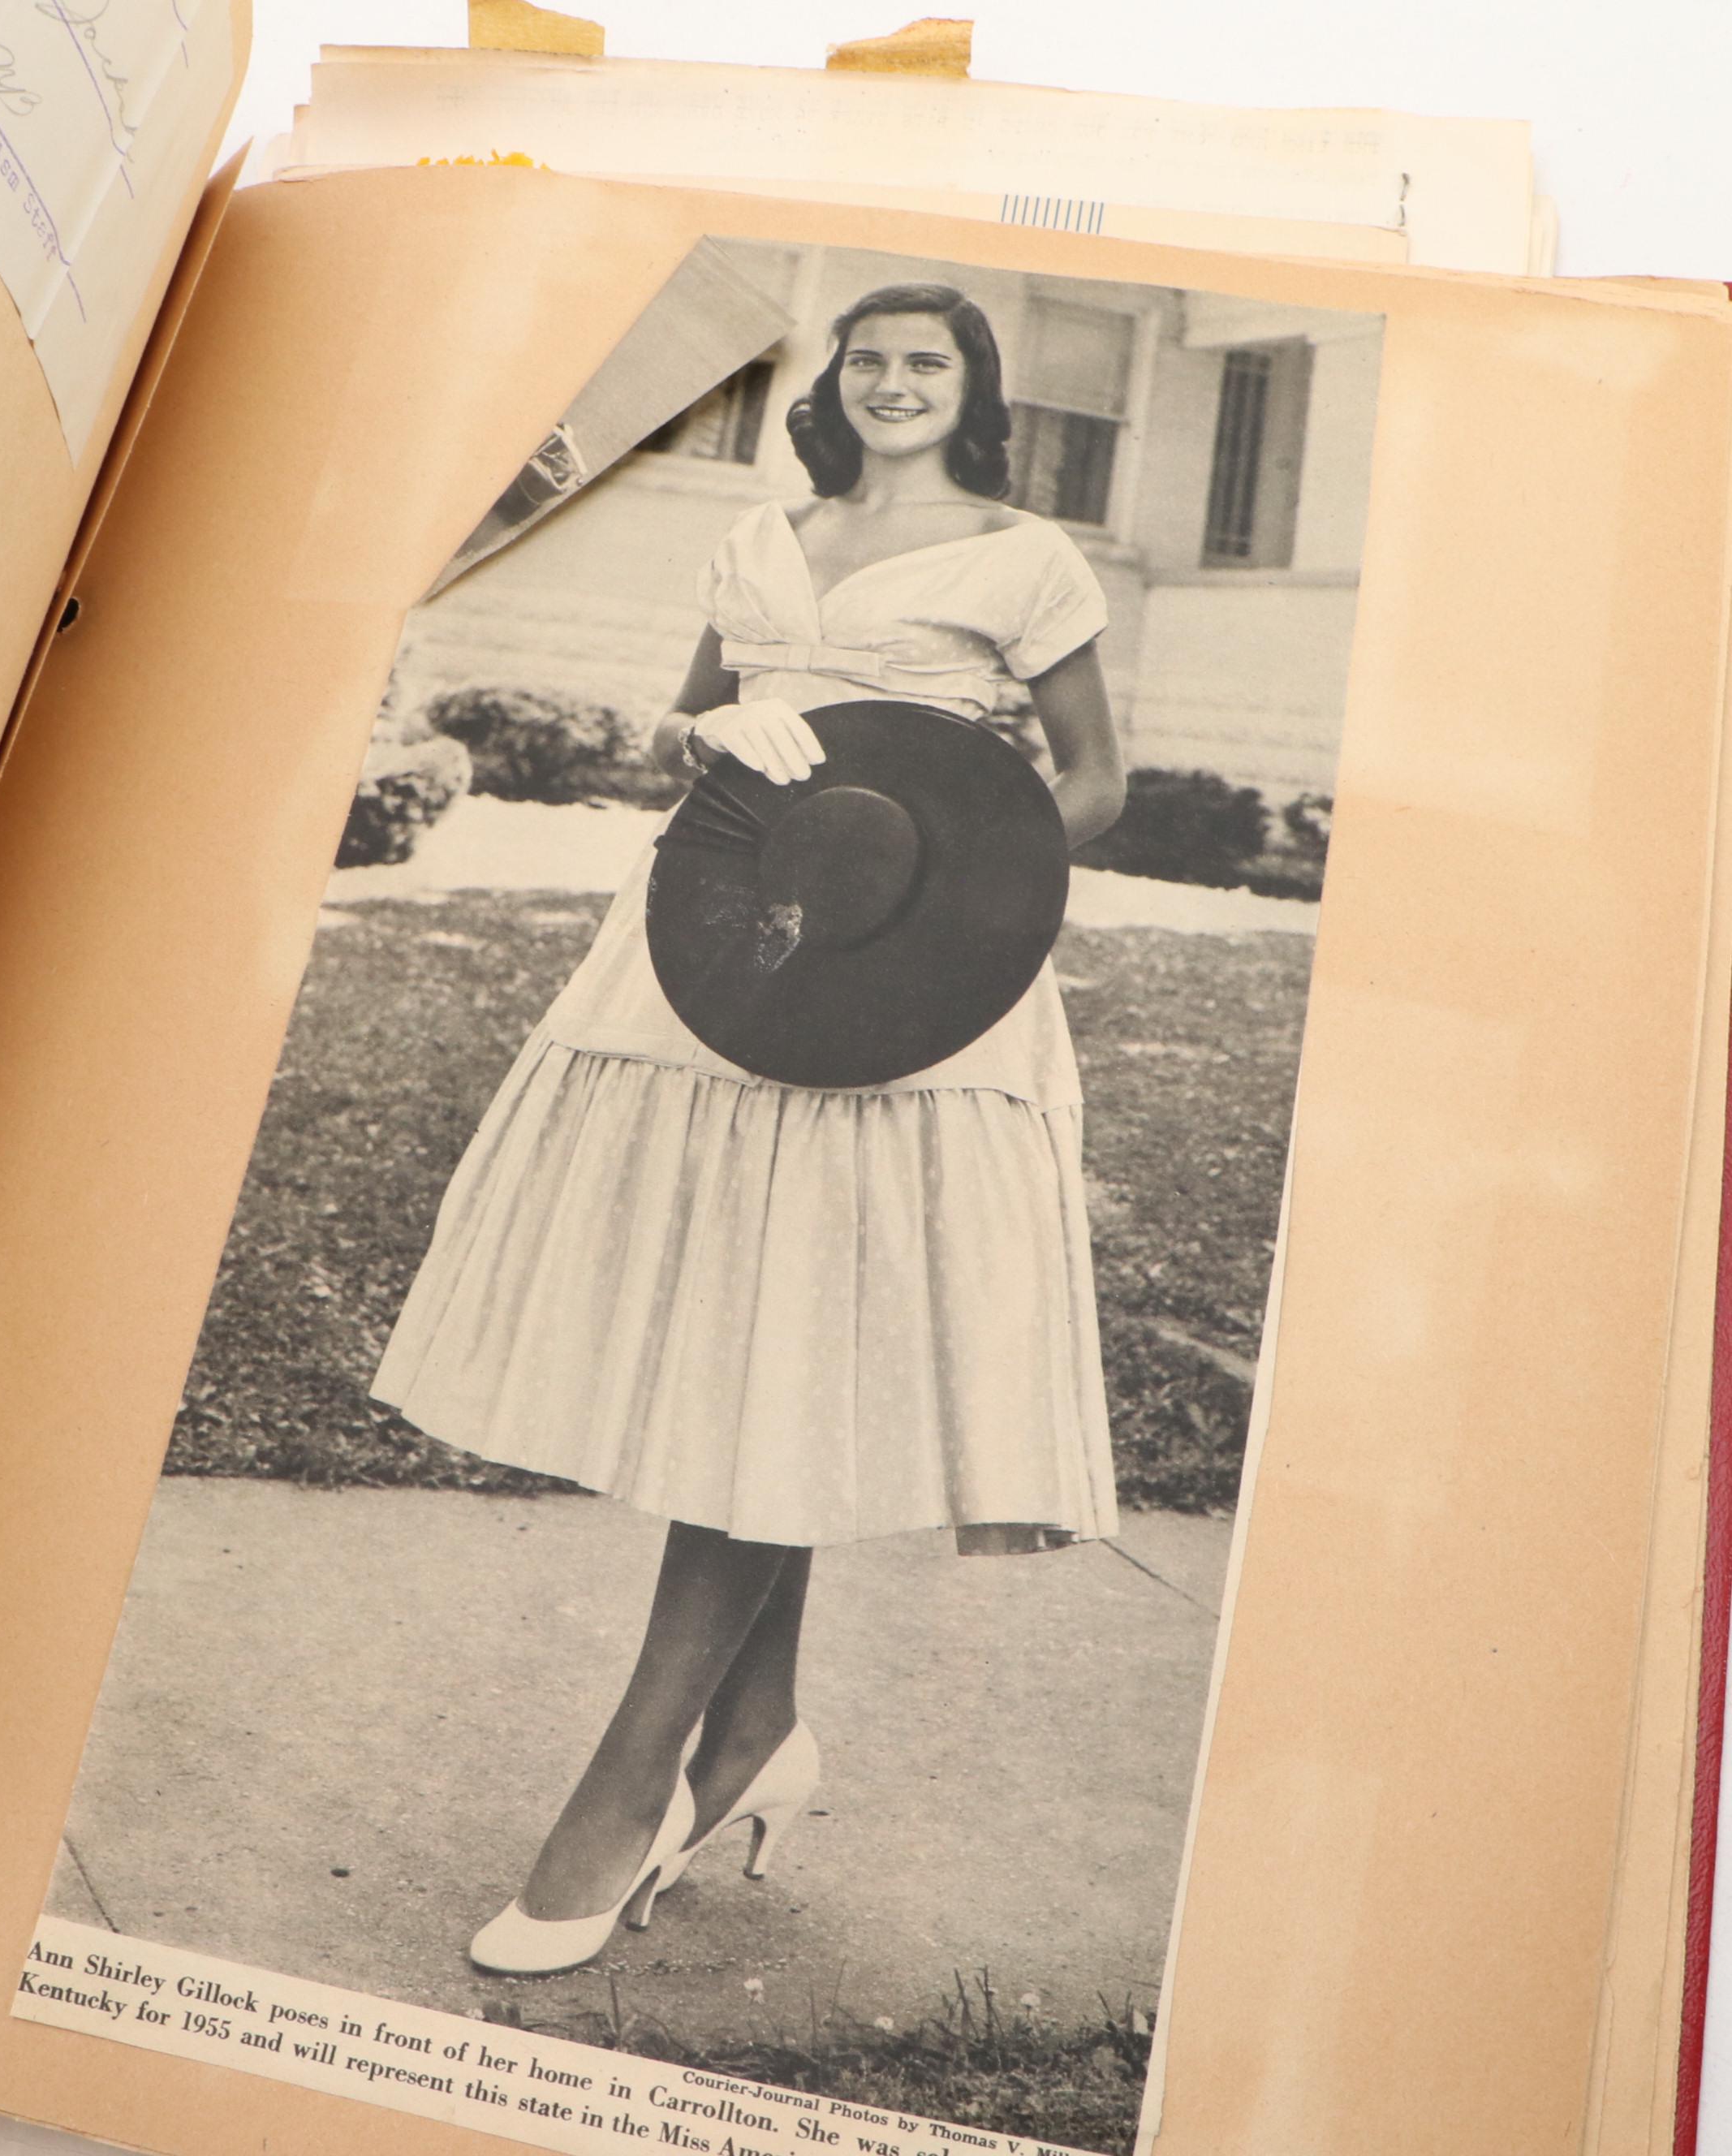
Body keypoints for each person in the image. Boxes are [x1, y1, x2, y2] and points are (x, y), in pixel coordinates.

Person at [370, 282, 1127, 1976]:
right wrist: (715, 728)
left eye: (926, 360)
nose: (892, 380)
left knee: (786, 1342)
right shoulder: (762, 534)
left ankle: (629, 1779)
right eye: (866, 359)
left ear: (971, 390)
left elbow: (1089, 779)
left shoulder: (1023, 557)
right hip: (716, 950)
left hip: (915, 970)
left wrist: (967, 866)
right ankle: (761, 1729)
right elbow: (678, 722)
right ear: (836, 385)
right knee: (741, 1334)